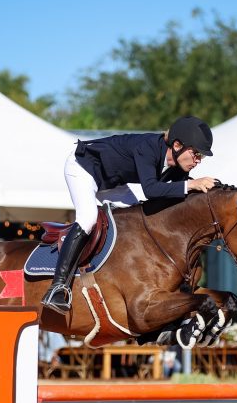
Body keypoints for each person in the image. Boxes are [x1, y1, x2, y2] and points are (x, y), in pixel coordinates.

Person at [41, 116, 218, 314]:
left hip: (111, 183)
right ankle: (57, 287)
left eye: (201, 157)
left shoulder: (177, 167)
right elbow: (151, 189)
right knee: (88, 218)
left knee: (140, 217)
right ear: (177, 145)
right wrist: (191, 184)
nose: (198, 161)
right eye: (195, 154)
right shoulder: (148, 147)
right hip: (83, 169)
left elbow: (175, 197)